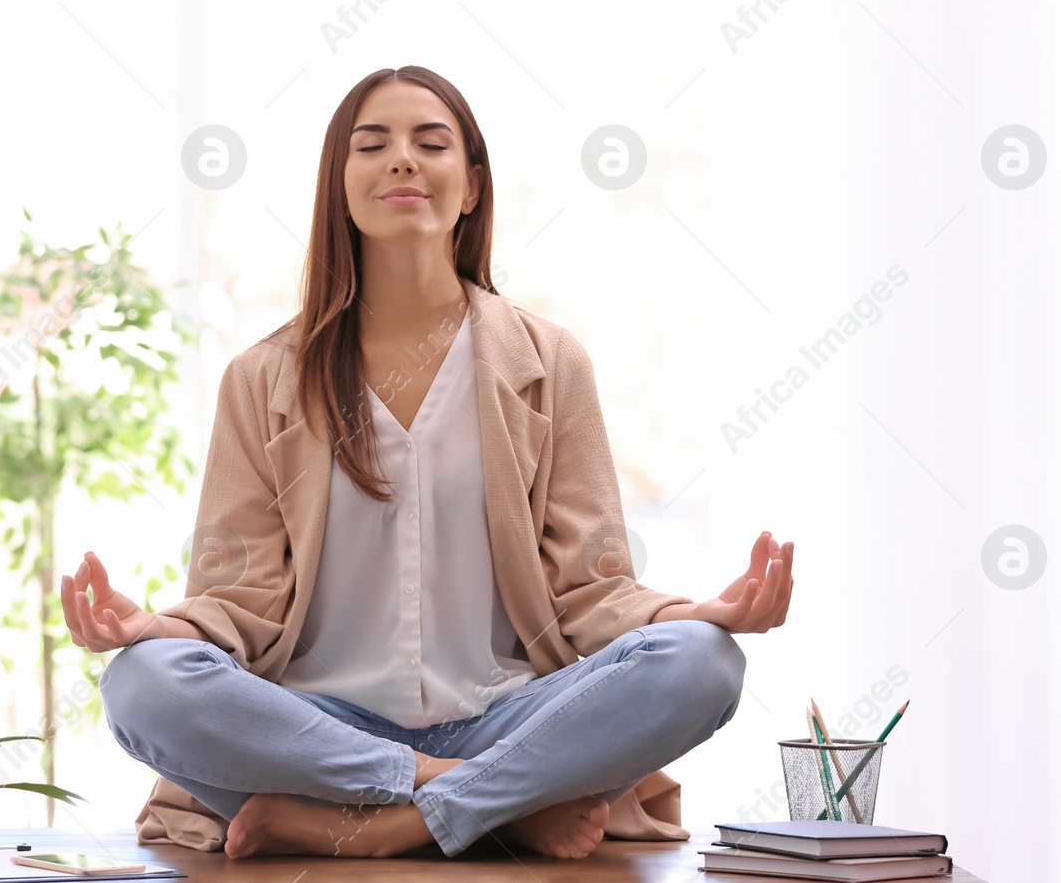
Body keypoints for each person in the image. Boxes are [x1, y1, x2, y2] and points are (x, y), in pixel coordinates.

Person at [62, 65, 795, 861]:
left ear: (472, 185)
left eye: (430, 142)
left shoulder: (551, 363)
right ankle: (493, 802)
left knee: (704, 664)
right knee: (142, 682)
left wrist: (703, 614)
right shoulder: (262, 376)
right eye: (372, 144)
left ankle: (381, 823)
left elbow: (592, 589)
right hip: (321, 726)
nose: (402, 160)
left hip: (506, 715)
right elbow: (238, 600)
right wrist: (152, 627)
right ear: (340, 185)